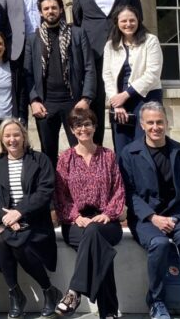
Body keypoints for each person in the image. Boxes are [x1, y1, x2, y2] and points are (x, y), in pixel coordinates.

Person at [118, 102, 180, 319]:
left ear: (167, 123)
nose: (155, 127)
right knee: (159, 244)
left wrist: (175, 217)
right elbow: (128, 192)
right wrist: (152, 217)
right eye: (150, 122)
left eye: (159, 122)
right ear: (142, 125)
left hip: (175, 218)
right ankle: (156, 301)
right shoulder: (129, 153)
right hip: (145, 220)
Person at [0, 118, 62, 319]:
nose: (12, 139)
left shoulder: (40, 160)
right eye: (7, 136)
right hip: (7, 220)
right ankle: (20, 292)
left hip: (35, 220)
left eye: (16, 135)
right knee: (1, 235)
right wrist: (7, 217)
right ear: (1, 139)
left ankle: (42, 291)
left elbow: (45, 191)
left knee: (12, 240)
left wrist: (19, 212)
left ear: (24, 137)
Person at [52, 108, 125, 319]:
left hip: (106, 220)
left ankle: (74, 292)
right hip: (75, 222)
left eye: (87, 124)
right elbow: (61, 195)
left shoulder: (108, 156)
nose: (83, 129)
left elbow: (119, 190)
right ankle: (109, 312)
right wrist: (76, 216)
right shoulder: (65, 159)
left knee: (96, 234)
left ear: (95, 127)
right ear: (72, 131)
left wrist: (109, 213)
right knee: (99, 246)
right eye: (78, 125)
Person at [71, 0, 143, 145]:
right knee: (94, 101)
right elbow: (77, 21)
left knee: (121, 98)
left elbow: (137, 14)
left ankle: (125, 148)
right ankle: (97, 148)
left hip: (121, 47)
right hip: (92, 52)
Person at [24, 0, 97, 166]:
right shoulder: (33, 39)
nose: (50, 11)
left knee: (80, 149)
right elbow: (27, 74)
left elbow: (89, 68)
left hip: (74, 102)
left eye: (54, 8)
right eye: (46, 8)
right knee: (48, 153)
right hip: (45, 104)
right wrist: (33, 100)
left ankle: (80, 190)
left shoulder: (77, 34)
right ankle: (53, 192)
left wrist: (86, 98)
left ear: (61, 10)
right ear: (41, 12)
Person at [102, 5, 163, 151]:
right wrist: (116, 102)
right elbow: (107, 75)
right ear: (117, 22)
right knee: (122, 146)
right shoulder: (110, 45)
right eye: (124, 21)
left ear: (138, 20)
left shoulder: (151, 41)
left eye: (132, 20)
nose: (128, 24)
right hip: (119, 103)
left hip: (146, 97)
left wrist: (126, 94)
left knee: (145, 144)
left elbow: (153, 73)